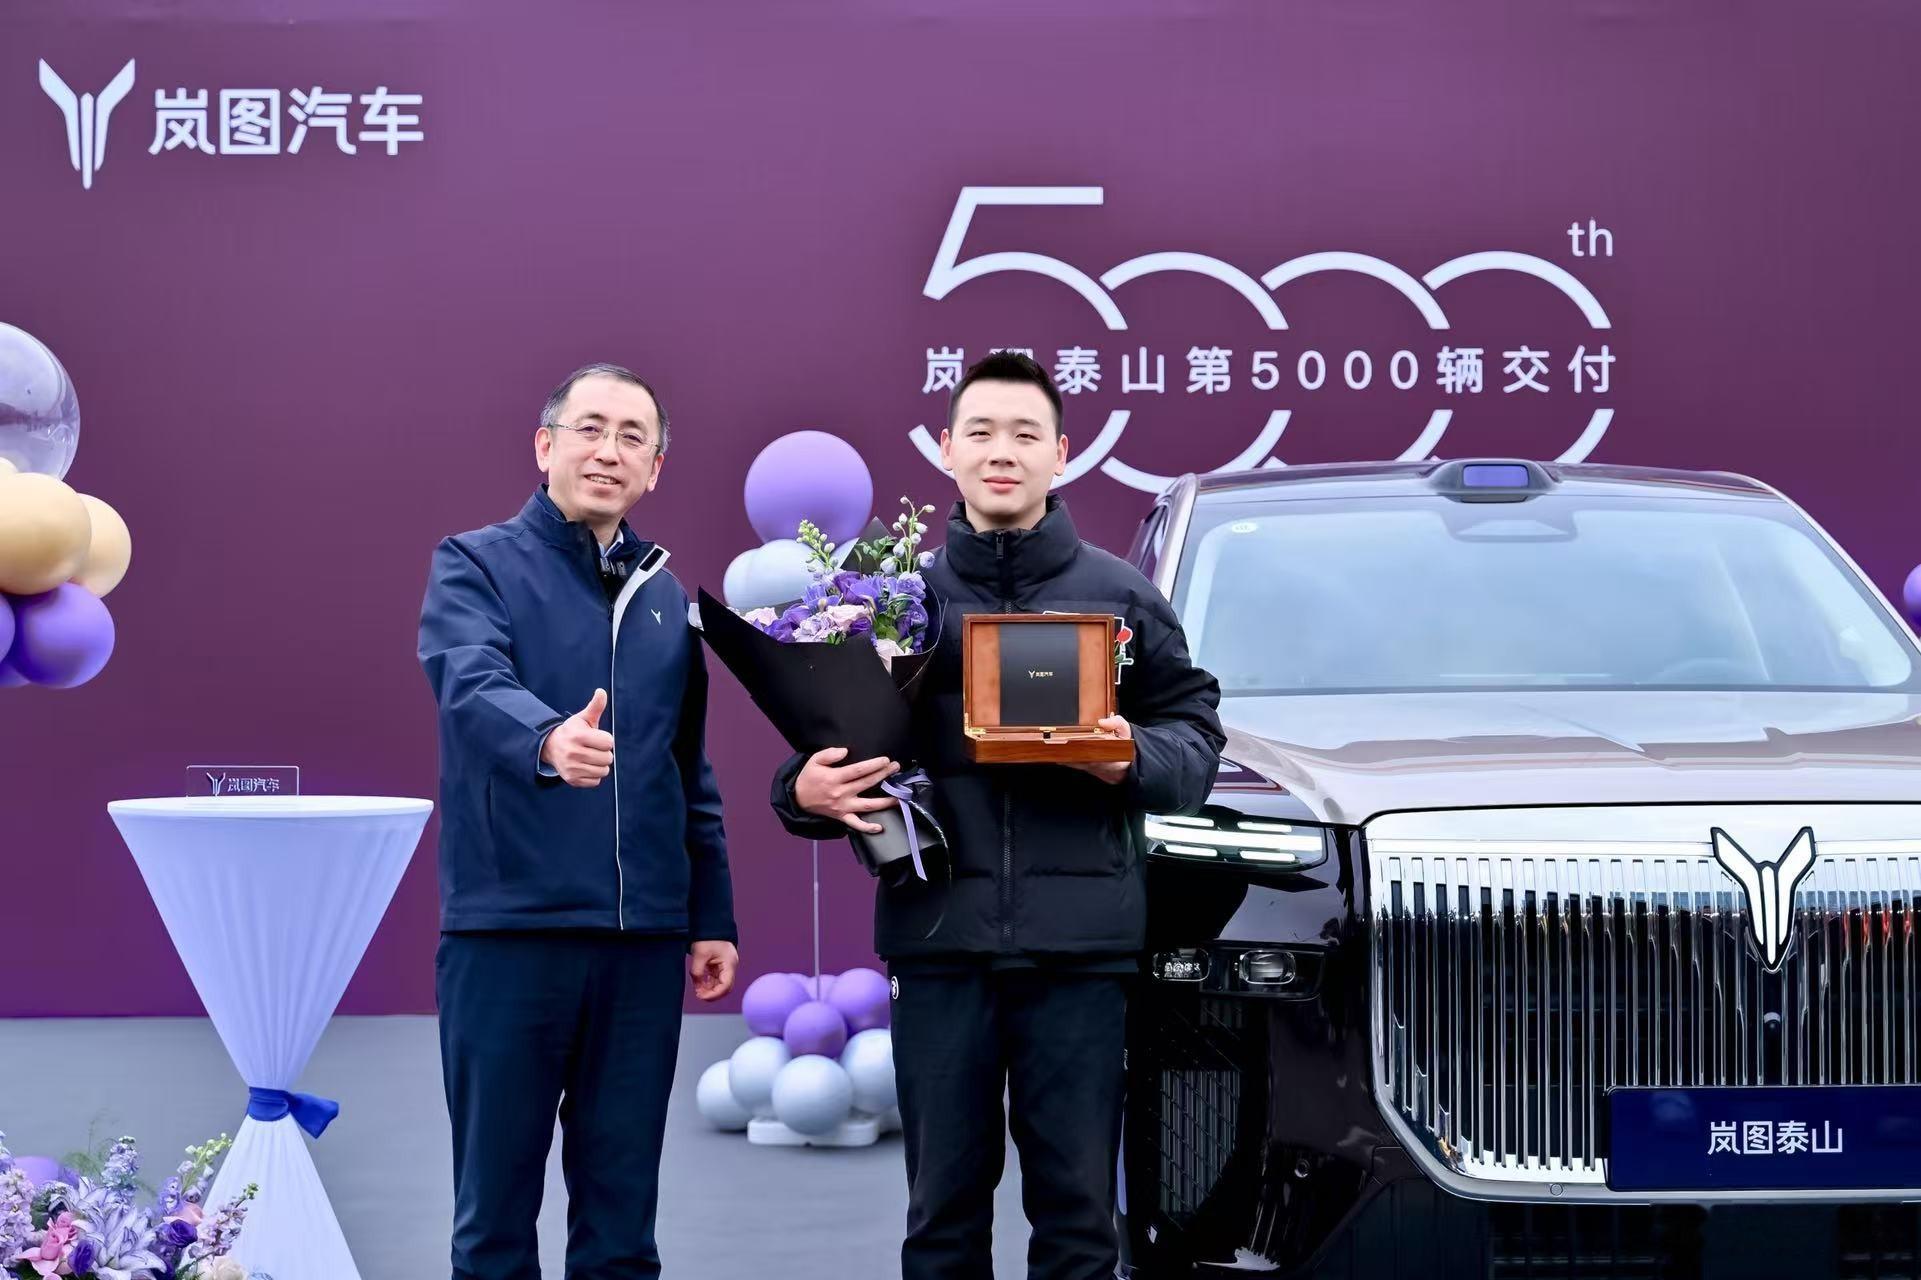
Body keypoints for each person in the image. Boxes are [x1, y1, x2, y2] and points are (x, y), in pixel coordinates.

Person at [772, 351, 1224, 1280]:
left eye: (1025, 434)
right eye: (980, 432)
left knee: (1077, 1218)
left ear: (1061, 452)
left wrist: (1127, 758)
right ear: (946, 450)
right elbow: (823, 744)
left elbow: (1195, 741)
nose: (1001, 452)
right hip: (940, 946)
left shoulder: (1122, 598)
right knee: (940, 1217)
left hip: (1081, 956)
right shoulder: (889, 602)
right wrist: (800, 794)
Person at [419, 362, 738, 1279]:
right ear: (544, 445)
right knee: (493, 1224)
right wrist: (549, 738)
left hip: (642, 948)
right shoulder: (473, 563)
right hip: (509, 936)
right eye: (590, 428)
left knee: (621, 1229)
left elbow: (686, 769)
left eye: (633, 437)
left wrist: (709, 917)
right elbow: (468, 679)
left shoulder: (666, 598)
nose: (608, 451)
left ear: (655, 469)